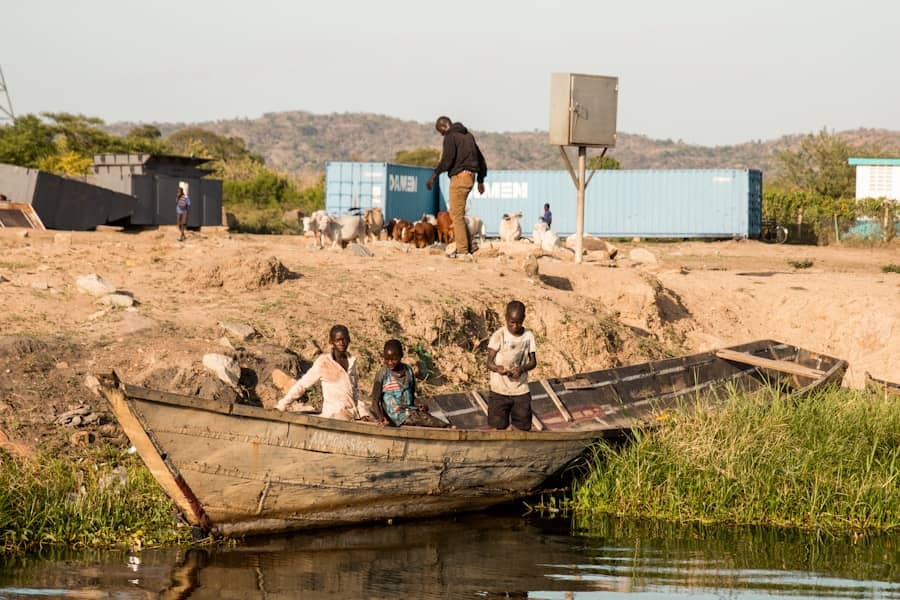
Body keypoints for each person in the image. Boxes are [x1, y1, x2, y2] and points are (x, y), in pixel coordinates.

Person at [275, 324, 375, 421]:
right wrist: (282, 405)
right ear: (331, 341)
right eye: (338, 340)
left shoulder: (351, 361)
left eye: (344, 339)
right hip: (334, 414)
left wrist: (363, 413)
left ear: (349, 340)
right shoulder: (324, 362)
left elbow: (355, 392)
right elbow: (302, 385)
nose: (342, 343)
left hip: (352, 413)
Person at [426, 116, 487, 258]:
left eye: (440, 132)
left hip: (459, 178)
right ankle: (471, 244)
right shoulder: (468, 136)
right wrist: (480, 180)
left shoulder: (450, 136)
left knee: (456, 215)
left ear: (443, 127)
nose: (442, 135)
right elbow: (481, 159)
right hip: (470, 177)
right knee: (457, 213)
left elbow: (447, 160)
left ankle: (462, 251)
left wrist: (434, 175)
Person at [370, 339, 448, 428]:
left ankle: (446, 427)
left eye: (394, 359)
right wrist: (381, 418)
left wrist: (419, 404)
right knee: (424, 419)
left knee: (424, 416)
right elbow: (375, 402)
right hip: (395, 415)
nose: (390, 362)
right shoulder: (383, 374)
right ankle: (447, 427)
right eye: (387, 359)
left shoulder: (408, 371)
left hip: (409, 411)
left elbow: (412, 397)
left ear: (401, 356)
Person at [486, 300, 537, 431]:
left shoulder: (528, 336)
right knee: (498, 425)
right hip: (499, 389)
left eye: (518, 322)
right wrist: (497, 368)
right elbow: (489, 362)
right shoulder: (499, 335)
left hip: (520, 389)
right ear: (506, 318)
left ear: (523, 319)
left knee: (523, 426)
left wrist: (521, 369)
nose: (515, 326)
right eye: (511, 322)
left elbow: (533, 362)